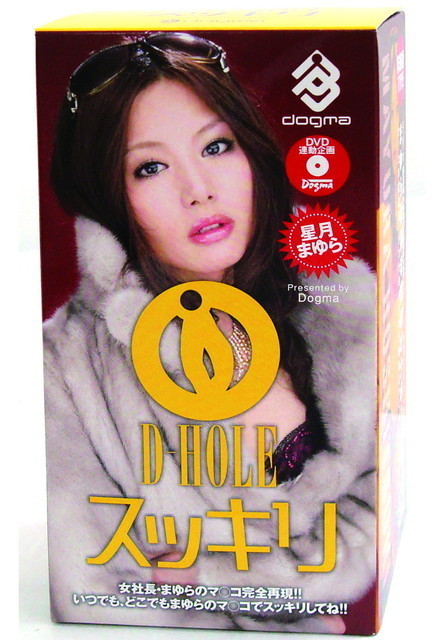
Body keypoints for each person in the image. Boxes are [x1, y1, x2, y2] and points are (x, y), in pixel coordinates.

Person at [44, 32, 376, 633]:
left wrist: (211, 577)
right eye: (150, 167)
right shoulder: (62, 366)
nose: (198, 189)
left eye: (216, 146)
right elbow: (95, 590)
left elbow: (382, 508)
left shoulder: (340, 305)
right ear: (106, 196)